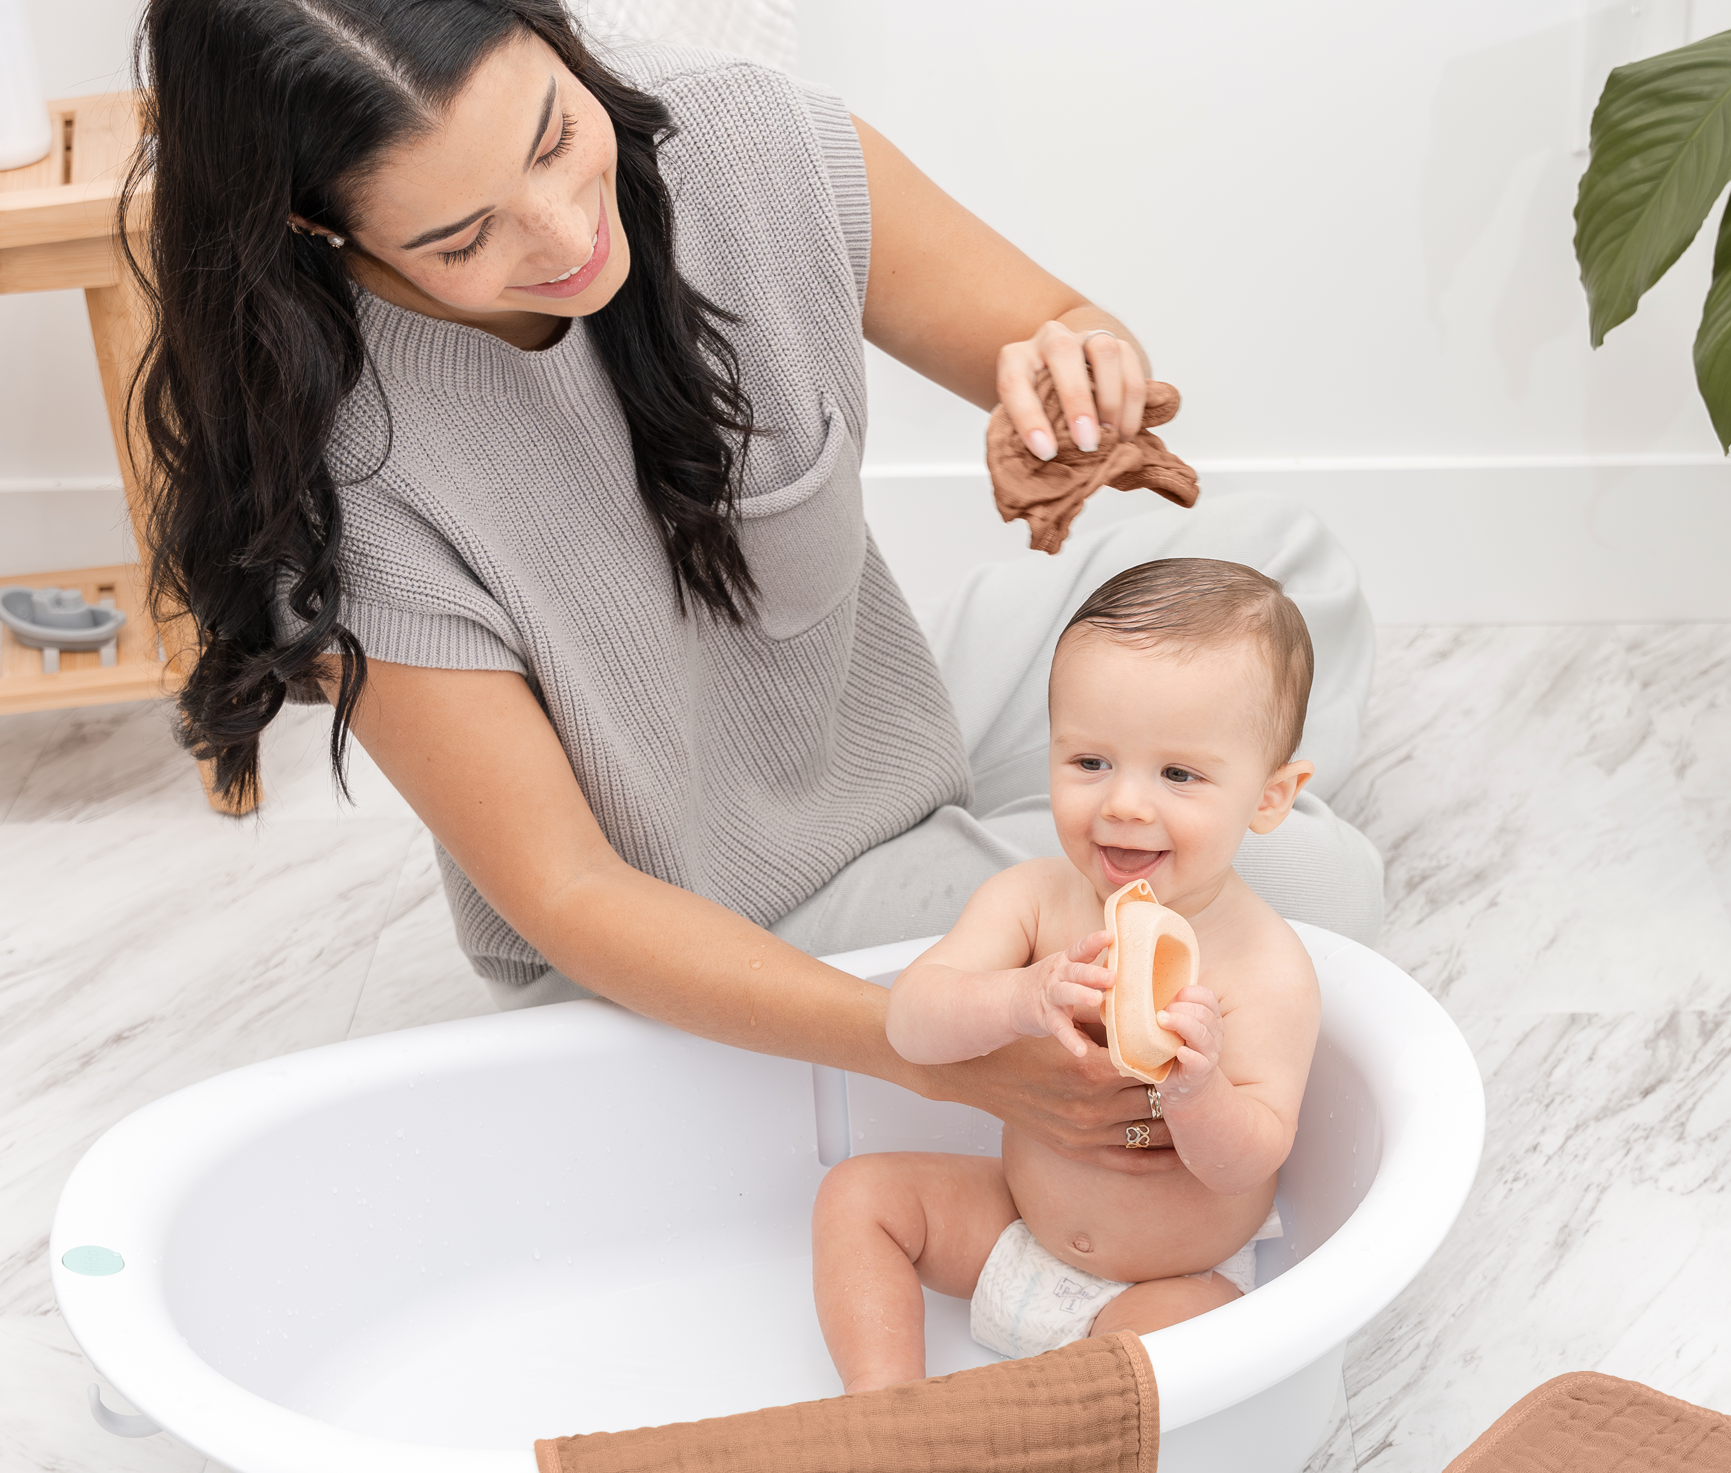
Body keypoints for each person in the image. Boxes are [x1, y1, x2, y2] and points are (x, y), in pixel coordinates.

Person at [130, 0, 1382, 1192]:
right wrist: (928, 1046)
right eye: (462, 238)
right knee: (1315, 884)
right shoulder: (330, 475)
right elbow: (573, 893)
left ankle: (1078, 853)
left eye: (557, 137)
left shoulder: (738, 142)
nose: (567, 236)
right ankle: (1120, 865)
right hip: (706, 928)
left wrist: (1073, 396)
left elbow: (1052, 323)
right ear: (315, 230)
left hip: (878, 750)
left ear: (554, 36)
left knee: (1276, 573)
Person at [813, 559, 1320, 1392]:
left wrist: (1200, 1094)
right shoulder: (1034, 901)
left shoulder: (1266, 966)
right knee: (857, 1195)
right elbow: (913, 1020)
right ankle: (883, 1405)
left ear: (1269, 798)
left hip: (1163, 1284)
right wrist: (1017, 996)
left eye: (1179, 775)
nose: (1122, 804)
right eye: (1089, 762)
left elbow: (1253, 1157)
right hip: (1016, 1231)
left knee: (1177, 1344)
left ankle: (1040, 1431)